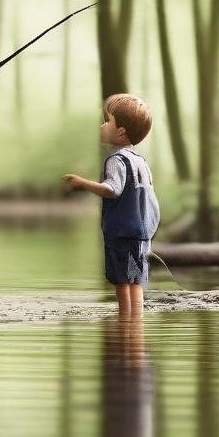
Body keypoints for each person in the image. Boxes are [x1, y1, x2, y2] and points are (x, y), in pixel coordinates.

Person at [62, 94, 161, 315]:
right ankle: (136, 324)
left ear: (121, 131)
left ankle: (124, 320)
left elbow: (112, 189)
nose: (102, 125)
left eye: (108, 121)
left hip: (121, 231)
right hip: (141, 232)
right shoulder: (140, 160)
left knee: (120, 280)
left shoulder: (116, 160)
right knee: (135, 279)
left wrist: (82, 183)